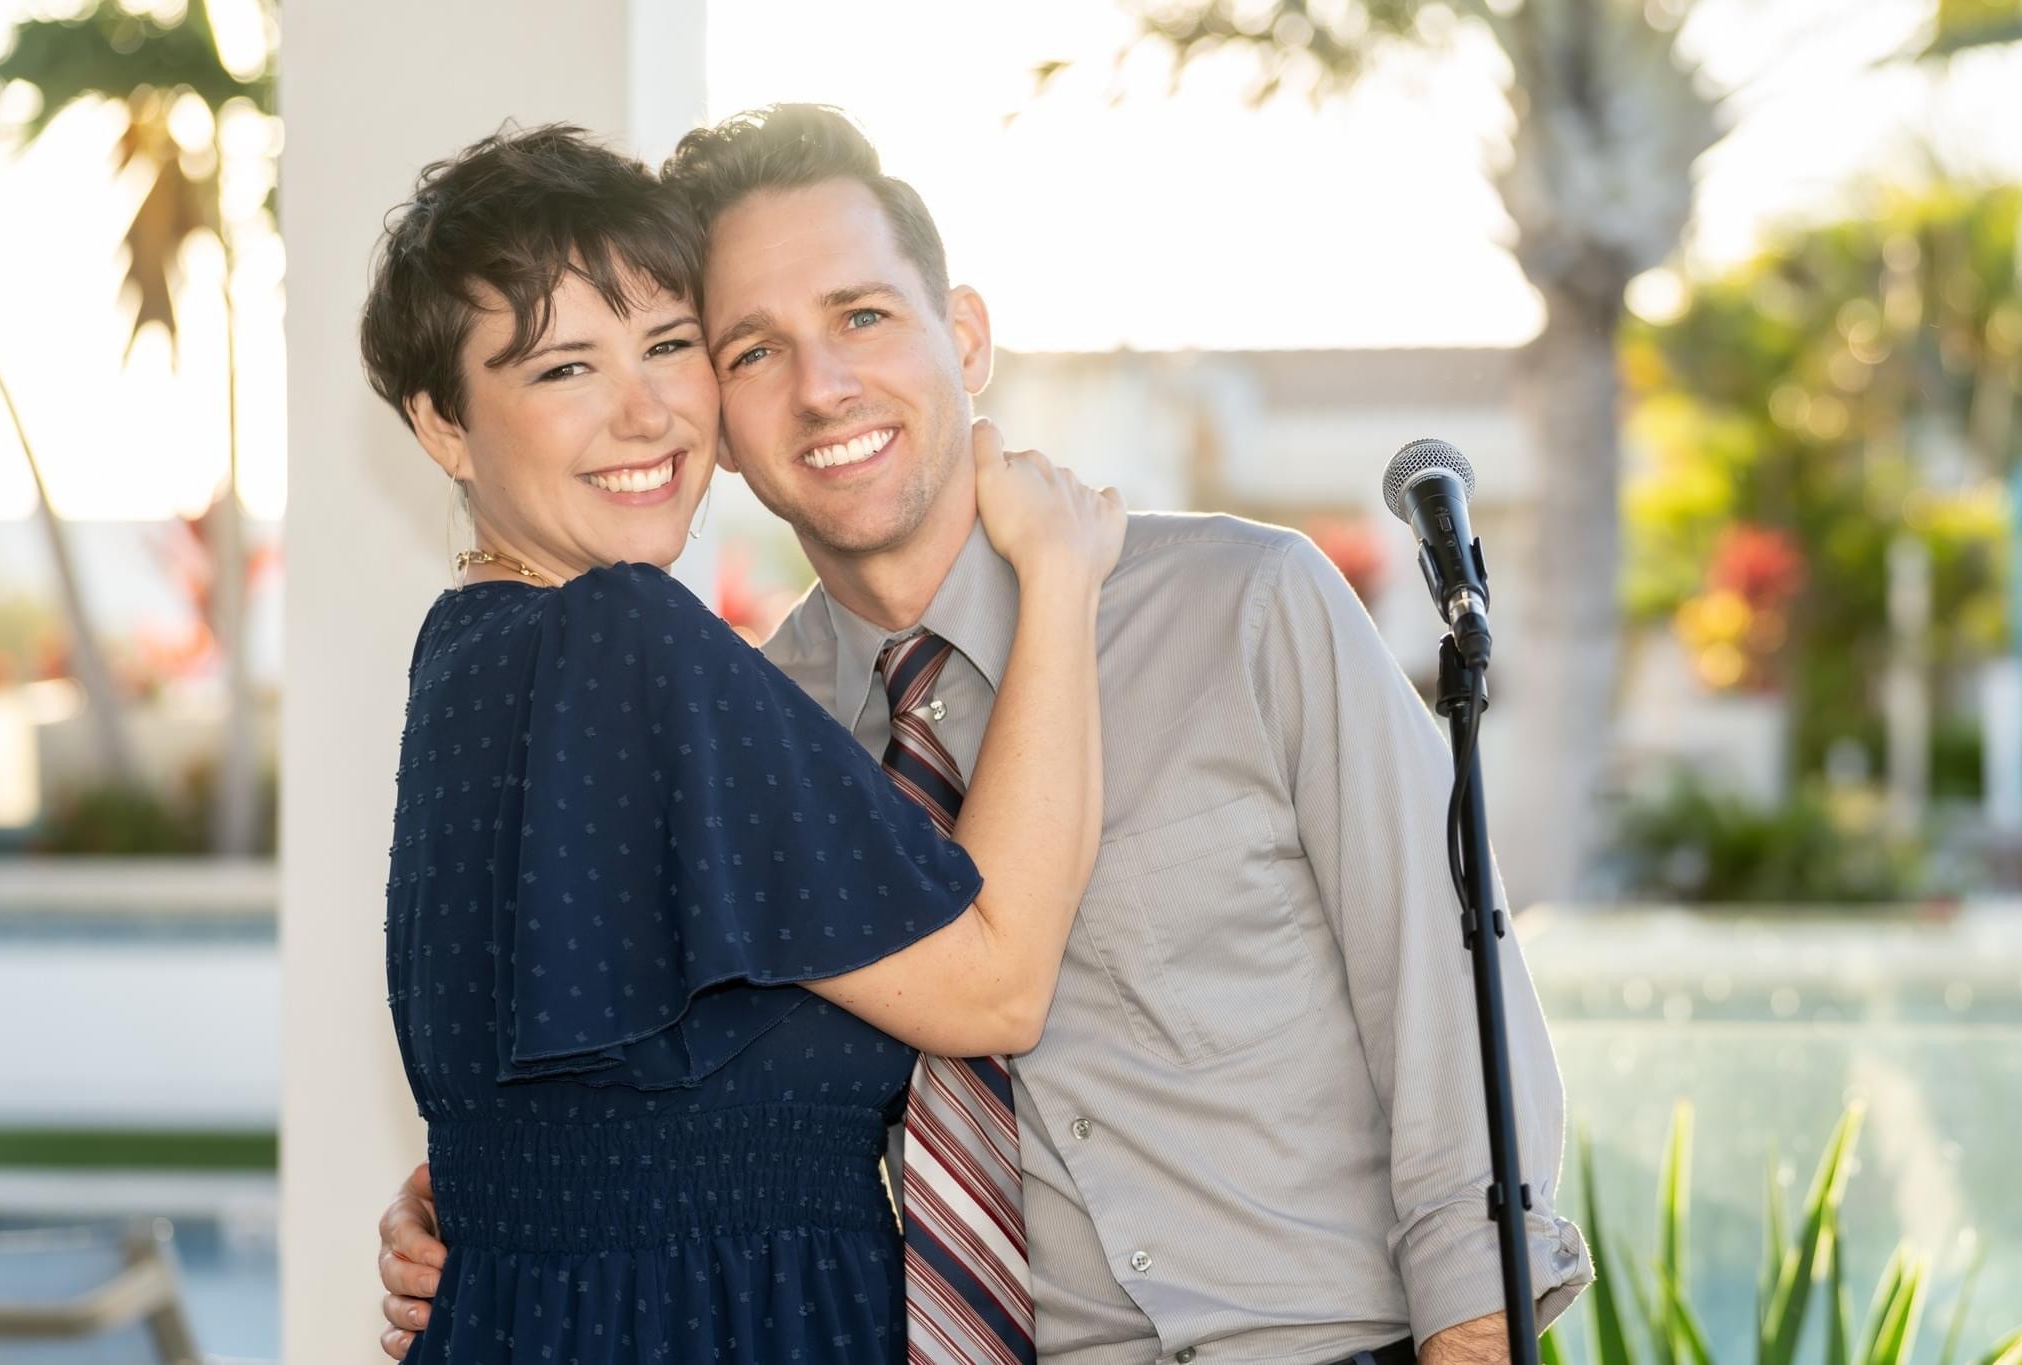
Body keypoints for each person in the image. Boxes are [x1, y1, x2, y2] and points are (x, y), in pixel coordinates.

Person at [381, 106, 1594, 1365]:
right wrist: (484, 1209)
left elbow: (1454, 1025)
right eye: (749, 351)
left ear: (963, 336)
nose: (823, 385)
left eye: (862, 316)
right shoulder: (740, 725)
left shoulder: (1244, 606)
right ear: (722, 414)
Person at [362, 124, 1126, 1365]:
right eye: (563, 370)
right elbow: (996, 984)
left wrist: (458, 1205)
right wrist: (1060, 577)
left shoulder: (467, 661)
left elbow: (569, 1118)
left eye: (669, 346)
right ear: (444, 426)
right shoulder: (625, 638)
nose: (646, 410)